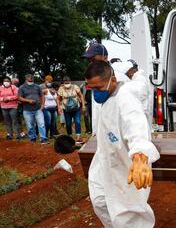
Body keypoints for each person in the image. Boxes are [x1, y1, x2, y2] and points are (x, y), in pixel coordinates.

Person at [85, 60, 159, 228]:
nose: (95, 93)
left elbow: (136, 126)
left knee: (128, 214)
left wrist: (140, 157)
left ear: (113, 80)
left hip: (124, 164)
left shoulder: (125, 97)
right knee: (100, 202)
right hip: (104, 160)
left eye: (98, 88)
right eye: (92, 89)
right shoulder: (107, 96)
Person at [18, 74, 48, 144]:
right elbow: (19, 98)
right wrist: (28, 101)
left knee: (41, 124)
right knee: (30, 125)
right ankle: (32, 138)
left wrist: (43, 104)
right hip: (27, 110)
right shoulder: (22, 87)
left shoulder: (37, 86)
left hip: (38, 109)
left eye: (32, 77)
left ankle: (43, 138)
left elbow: (42, 96)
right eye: (29, 77)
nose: (31, 78)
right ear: (26, 78)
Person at [57, 76, 85, 143]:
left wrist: (83, 105)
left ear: (70, 81)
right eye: (65, 83)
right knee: (68, 124)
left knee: (77, 121)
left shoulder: (75, 87)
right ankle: (70, 137)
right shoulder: (61, 89)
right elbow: (58, 98)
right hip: (66, 109)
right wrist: (59, 107)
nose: (67, 84)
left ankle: (78, 137)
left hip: (76, 108)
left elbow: (81, 95)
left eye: (68, 82)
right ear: (63, 83)